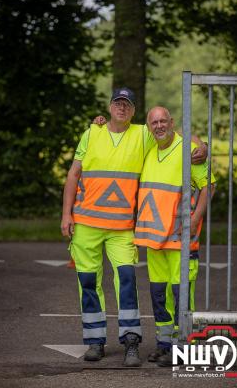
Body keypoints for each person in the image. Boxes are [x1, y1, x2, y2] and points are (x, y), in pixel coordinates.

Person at [61, 88, 207, 367]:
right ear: (109, 105)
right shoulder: (92, 132)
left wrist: (202, 146)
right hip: (86, 223)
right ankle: (95, 342)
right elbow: (74, 173)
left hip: (122, 228)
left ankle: (131, 341)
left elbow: (174, 137)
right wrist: (66, 214)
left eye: (127, 104)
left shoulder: (142, 135)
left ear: (134, 111)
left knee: (126, 283)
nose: (122, 108)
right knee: (88, 284)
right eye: (118, 103)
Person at [133, 106, 216, 367]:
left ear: (172, 123)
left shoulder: (187, 150)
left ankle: (184, 347)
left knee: (181, 294)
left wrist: (194, 219)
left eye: (163, 121)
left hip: (181, 239)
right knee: (159, 294)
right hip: (154, 240)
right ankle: (164, 344)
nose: (159, 126)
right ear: (149, 127)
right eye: (154, 122)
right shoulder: (148, 150)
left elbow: (208, 186)